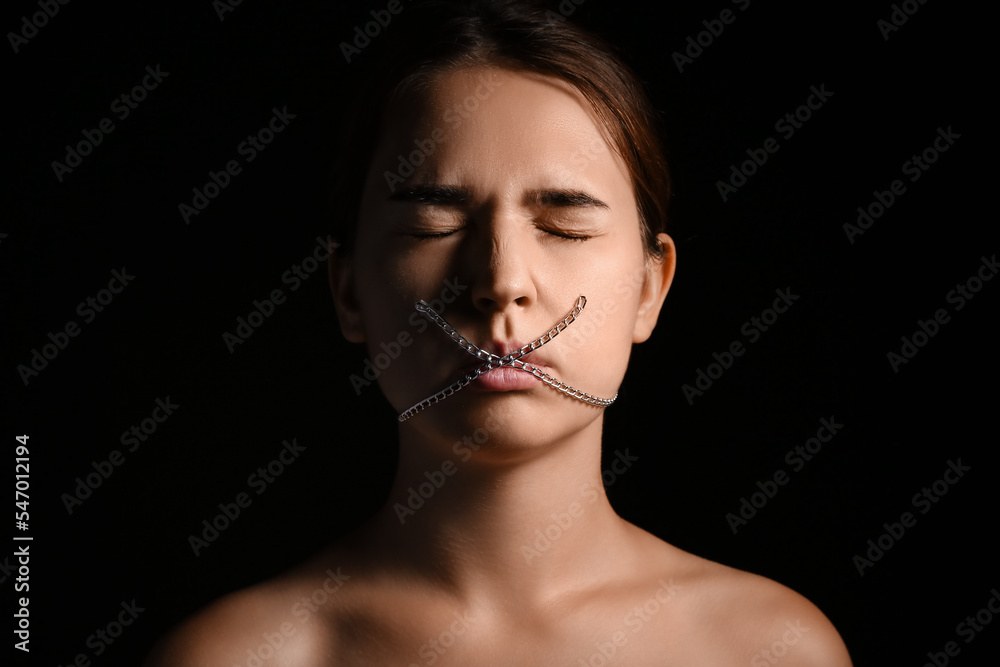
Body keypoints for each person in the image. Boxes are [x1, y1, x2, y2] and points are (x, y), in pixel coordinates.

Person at [145, 1, 853, 664]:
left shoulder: (767, 649)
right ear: (349, 287)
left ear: (649, 287)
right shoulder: (241, 654)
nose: (501, 280)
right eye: (435, 224)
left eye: (565, 225)